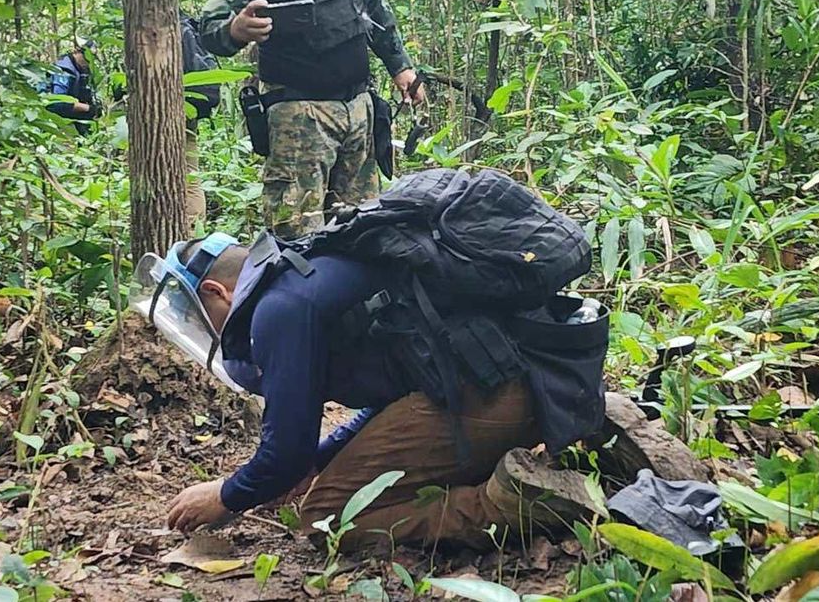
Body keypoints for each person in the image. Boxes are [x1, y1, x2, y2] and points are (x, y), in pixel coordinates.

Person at [161, 232, 609, 551]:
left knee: (329, 517)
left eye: (198, 315)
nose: (206, 329)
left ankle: (515, 503)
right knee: (340, 481)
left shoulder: (278, 311)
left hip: (492, 393)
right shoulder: (309, 272)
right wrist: (322, 459)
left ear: (215, 291)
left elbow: (285, 455)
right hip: (535, 378)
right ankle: (568, 443)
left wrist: (226, 495)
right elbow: (392, 390)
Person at [199, 0, 426, 238]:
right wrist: (235, 30)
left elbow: (374, 9)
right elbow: (209, 27)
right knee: (296, 233)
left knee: (363, 225)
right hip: (299, 117)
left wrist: (400, 67)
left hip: (359, 110)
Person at [180, 13, 222, 231]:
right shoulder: (188, 27)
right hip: (191, 111)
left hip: (178, 110)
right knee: (190, 178)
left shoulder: (174, 30)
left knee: (188, 179)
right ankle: (194, 230)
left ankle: (191, 231)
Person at [41, 39, 100, 135]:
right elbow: (56, 104)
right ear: (77, 52)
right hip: (53, 119)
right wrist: (88, 108)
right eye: (87, 57)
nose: (89, 62)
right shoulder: (63, 71)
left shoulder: (81, 71)